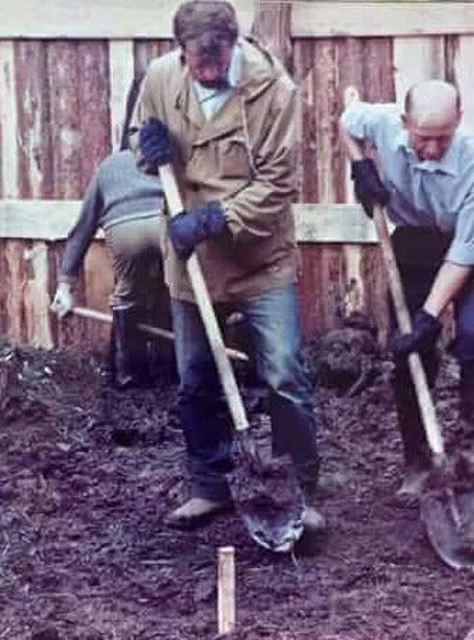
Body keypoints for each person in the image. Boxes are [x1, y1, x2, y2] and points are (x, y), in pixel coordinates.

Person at [133, 0, 323, 532]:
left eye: (218, 59)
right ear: (182, 50)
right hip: (190, 258)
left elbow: (276, 185)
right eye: (199, 61)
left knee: (283, 371)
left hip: (259, 255)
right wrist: (146, 150)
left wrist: (215, 217)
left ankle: (298, 493)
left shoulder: (273, 92)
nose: (209, 70)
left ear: (234, 43)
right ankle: (210, 486)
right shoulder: (161, 79)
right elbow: (138, 140)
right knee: (195, 376)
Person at [339, 79, 474, 498]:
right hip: (413, 243)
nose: (431, 149)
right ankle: (418, 459)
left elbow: (465, 254)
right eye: (422, 138)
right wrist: (360, 166)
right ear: (404, 122)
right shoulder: (380, 123)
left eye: (443, 139)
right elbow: (346, 120)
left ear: (459, 123)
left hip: (469, 248)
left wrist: (430, 316)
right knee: (408, 351)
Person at [51, 77, 169, 389]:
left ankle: (129, 375)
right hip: (166, 220)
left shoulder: (110, 166)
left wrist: (65, 284)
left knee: (127, 296)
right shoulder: (172, 154)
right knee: (182, 293)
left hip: (126, 229)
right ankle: (181, 372)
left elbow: (83, 228)